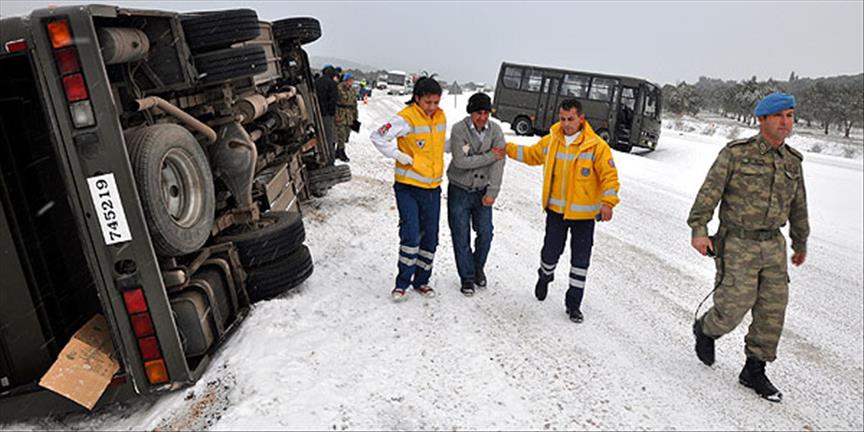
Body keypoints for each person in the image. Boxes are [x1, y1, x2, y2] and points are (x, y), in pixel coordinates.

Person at [689, 92, 809, 403]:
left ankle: (754, 369)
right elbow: (709, 193)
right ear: (762, 119)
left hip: (773, 245)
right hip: (738, 242)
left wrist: (800, 241)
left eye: (790, 116)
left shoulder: (793, 161)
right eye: (779, 116)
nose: (785, 122)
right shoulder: (736, 154)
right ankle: (707, 329)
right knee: (732, 307)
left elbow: (799, 205)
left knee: (772, 311)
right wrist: (699, 230)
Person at [505, 99, 620, 323]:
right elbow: (531, 155)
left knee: (580, 261)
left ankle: (573, 304)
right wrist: (506, 148)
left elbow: (610, 177)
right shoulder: (552, 140)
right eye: (563, 119)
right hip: (556, 212)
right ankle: (544, 276)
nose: (566, 124)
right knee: (550, 253)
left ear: (581, 119)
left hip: (584, 217)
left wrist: (608, 203)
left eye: (571, 119)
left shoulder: (596, 146)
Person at [370, 77, 447, 302]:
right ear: (417, 98)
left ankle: (422, 281)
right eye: (428, 102)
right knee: (411, 234)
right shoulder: (406, 118)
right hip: (408, 188)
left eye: (436, 102)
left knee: (430, 238)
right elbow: (377, 137)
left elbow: (436, 145)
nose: (432, 107)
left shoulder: (441, 117)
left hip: (432, 188)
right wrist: (398, 155)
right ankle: (402, 282)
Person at [446, 92, 506, 296]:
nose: (482, 117)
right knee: (460, 235)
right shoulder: (459, 130)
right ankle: (467, 277)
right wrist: (489, 156)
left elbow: (499, 162)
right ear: (471, 112)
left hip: (482, 191)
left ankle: (477, 267)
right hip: (459, 190)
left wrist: (493, 192)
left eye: (486, 113)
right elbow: (460, 161)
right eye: (478, 113)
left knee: (486, 233)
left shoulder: (496, 131)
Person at [314, 66, 338, 162]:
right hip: (327, 114)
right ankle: (330, 159)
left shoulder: (316, 82)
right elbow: (333, 100)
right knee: (329, 137)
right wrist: (332, 113)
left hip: (315, 113)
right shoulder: (332, 84)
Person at [335, 72, 358, 162]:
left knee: (346, 134)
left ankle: (338, 151)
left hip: (349, 115)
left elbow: (354, 104)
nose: (351, 82)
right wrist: (335, 114)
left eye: (352, 80)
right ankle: (341, 152)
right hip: (340, 113)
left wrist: (355, 116)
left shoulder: (352, 90)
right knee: (341, 134)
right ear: (346, 80)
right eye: (350, 80)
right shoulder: (339, 88)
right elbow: (335, 102)